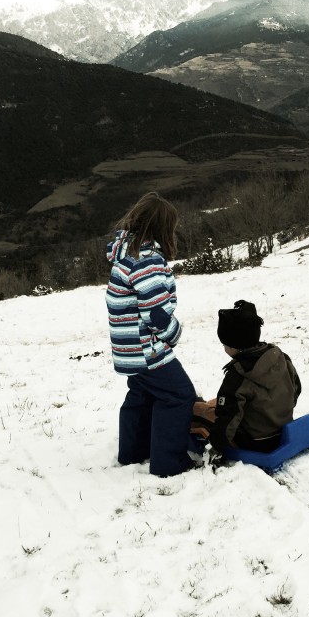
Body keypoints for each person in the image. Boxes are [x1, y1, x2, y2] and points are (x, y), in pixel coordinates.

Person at [105, 192, 196, 477]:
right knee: (179, 395)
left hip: (128, 349)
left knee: (142, 395)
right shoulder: (147, 261)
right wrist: (174, 333)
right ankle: (169, 463)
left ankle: (133, 452)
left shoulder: (126, 255)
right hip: (148, 350)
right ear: (162, 228)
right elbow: (155, 313)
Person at [191, 300, 301, 454]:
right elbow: (295, 390)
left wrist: (217, 445)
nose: (224, 348)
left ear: (233, 346)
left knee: (199, 410)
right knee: (220, 402)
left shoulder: (239, 375)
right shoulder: (281, 358)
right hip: (282, 429)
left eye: (224, 345)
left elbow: (227, 420)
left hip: (254, 441)